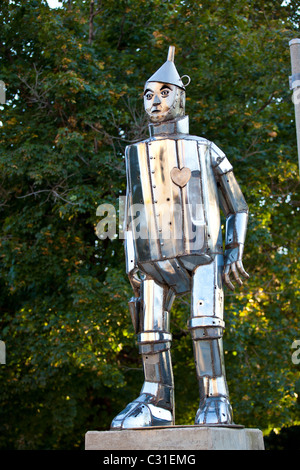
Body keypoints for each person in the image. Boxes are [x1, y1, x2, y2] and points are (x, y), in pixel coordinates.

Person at [111, 46, 249, 429]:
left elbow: (238, 205)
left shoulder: (205, 149)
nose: (156, 102)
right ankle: (156, 399)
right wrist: (131, 262)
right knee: (150, 331)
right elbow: (129, 211)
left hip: (202, 253)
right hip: (153, 259)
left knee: (205, 324)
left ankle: (214, 393)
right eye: (148, 95)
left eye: (165, 93)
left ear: (181, 96)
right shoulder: (134, 154)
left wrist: (234, 249)